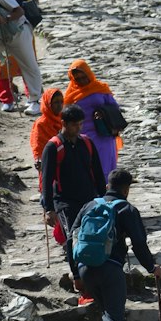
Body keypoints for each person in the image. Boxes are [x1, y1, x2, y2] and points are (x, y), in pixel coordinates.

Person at [75, 168, 161, 321]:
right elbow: (139, 244)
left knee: (107, 314)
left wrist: (76, 272)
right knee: (115, 318)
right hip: (110, 269)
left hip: (85, 267)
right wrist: (152, 268)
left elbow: (72, 237)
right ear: (126, 189)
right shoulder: (126, 208)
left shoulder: (90, 205)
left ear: (107, 186)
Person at [41, 105, 107, 281]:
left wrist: (105, 197)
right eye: (75, 125)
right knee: (72, 237)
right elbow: (46, 180)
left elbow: (98, 173)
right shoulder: (53, 147)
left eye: (80, 124)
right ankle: (78, 276)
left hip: (89, 198)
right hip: (65, 202)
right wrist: (48, 208)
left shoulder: (86, 143)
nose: (79, 128)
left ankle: (94, 269)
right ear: (64, 123)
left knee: (93, 235)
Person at [63, 59, 124, 175]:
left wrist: (103, 113)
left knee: (104, 167)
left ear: (89, 74)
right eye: (78, 79)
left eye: (84, 77)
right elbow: (66, 114)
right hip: (81, 136)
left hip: (103, 135)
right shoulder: (71, 94)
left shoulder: (100, 89)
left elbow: (114, 107)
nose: (82, 81)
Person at [30, 88, 64, 173]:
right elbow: (38, 145)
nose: (60, 105)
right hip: (48, 162)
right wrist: (38, 159)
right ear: (48, 104)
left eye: (61, 101)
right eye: (56, 102)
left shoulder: (64, 119)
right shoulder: (41, 123)